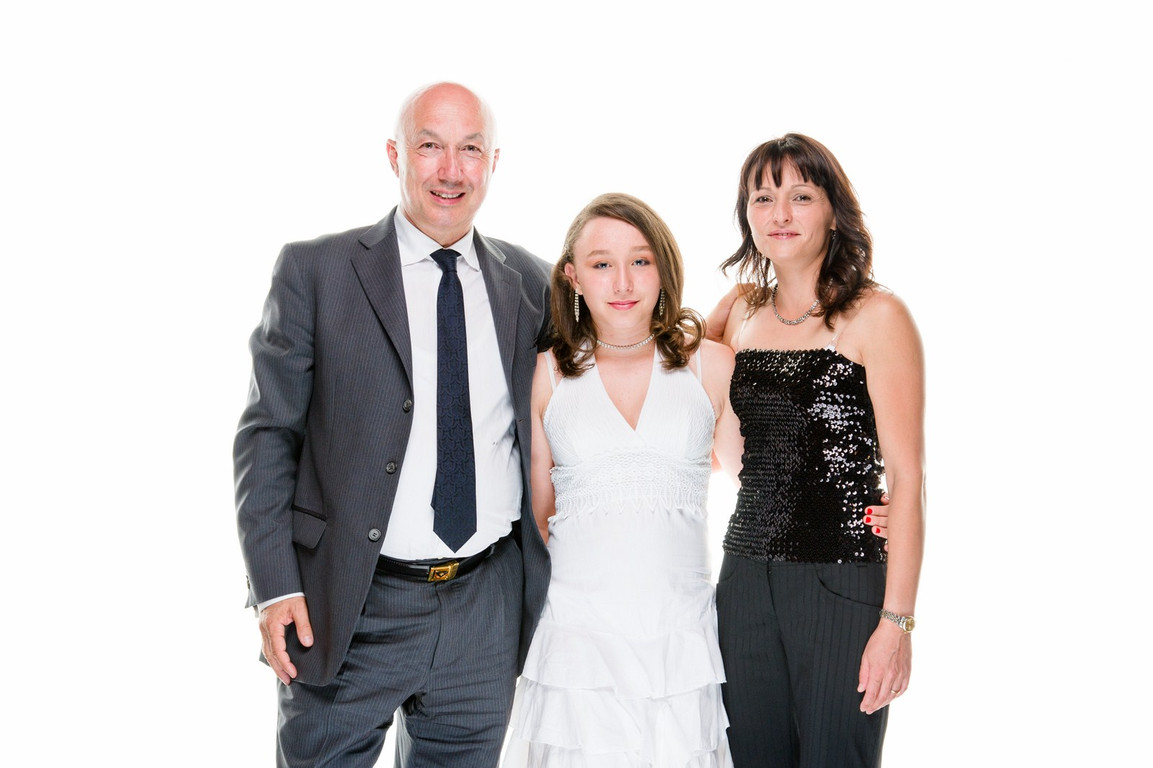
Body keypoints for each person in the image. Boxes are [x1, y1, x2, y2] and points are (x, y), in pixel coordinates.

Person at [233, 82, 553, 768]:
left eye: (470, 150)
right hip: (348, 603)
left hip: (485, 608)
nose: (451, 170)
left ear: (494, 162)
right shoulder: (316, 271)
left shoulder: (532, 284)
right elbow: (267, 436)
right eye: (430, 146)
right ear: (394, 155)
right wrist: (275, 584)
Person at [503, 193, 743, 767]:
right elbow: (537, 519)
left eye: (640, 260)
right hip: (576, 639)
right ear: (572, 276)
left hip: (679, 638)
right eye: (601, 263)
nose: (623, 282)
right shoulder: (546, 374)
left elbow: (760, 483)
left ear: (664, 266)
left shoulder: (712, 365)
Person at [708, 134, 925, 767]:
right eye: (762, 198)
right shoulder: (740, 312)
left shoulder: (877, 316)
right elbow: (696, 394)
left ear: (833, 210)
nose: (779, 213)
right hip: (743, 579)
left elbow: (908, 476)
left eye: (800, 196)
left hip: (841, 578)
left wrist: (897, 623)